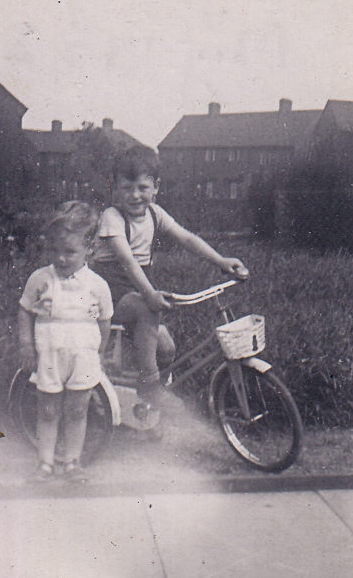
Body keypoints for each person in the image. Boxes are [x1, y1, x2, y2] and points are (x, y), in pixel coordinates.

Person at [92, 145, 248, 423]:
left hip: (138, 294)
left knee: (167, 349)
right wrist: (150, 294)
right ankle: (150, 387)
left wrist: (222, 261)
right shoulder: (112, 218)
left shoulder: (155, 214)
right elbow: (127, 261)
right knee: (146, 310)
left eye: (142, 187)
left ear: (156, 188)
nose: (135, 195)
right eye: (127, 188)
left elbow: (187, 238)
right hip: (108, 295)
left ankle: (147, 409)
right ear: (113, 188)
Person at [18, 201, 113, 481]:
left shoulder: (97, 285)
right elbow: (24, 310)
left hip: (82, 355)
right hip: (49, 355)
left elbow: (105, 319)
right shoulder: (40, 279)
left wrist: (101, 352)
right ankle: (45, 462)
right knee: (47, 410)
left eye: (70, 252)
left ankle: (72, 462)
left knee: (77, 409)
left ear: (89, 250)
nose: (61, 258)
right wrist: (25, 344)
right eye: (55, 251)